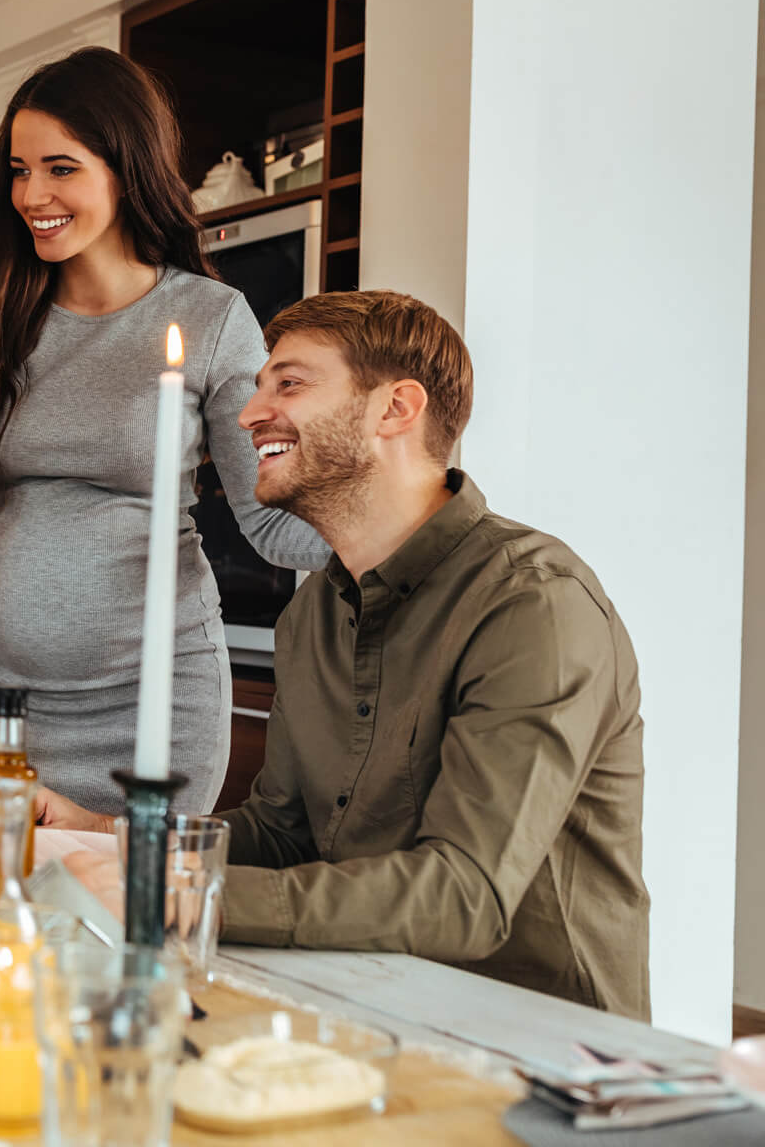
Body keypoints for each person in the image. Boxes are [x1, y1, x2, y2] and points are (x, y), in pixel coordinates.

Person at [46, 290, 648, 1018]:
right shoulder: (313, 614)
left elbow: (464, 894)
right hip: (364, 1003)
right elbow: (280, 832)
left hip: (549, 1059)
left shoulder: (534, 604)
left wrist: (178, 892)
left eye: (288, 384)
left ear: (395, 409)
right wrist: (108, 835)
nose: (246, 414)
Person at [0, 47, 327, 821]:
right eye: (19, 171)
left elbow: (265, 518)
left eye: (61, 169)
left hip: (156, 703)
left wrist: (395, 527)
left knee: (130, 916)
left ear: (126, 168)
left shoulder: (212, 321)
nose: (31, 195)